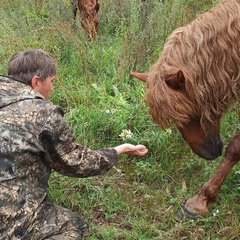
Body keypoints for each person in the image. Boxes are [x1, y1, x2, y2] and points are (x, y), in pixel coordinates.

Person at [0, 49, 148, 240]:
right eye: (52, 81)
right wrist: (119, 150)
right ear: (36, 82)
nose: (53, 88)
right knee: (73, 226)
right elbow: (75, 162)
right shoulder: (42, 113)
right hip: (8, 216)